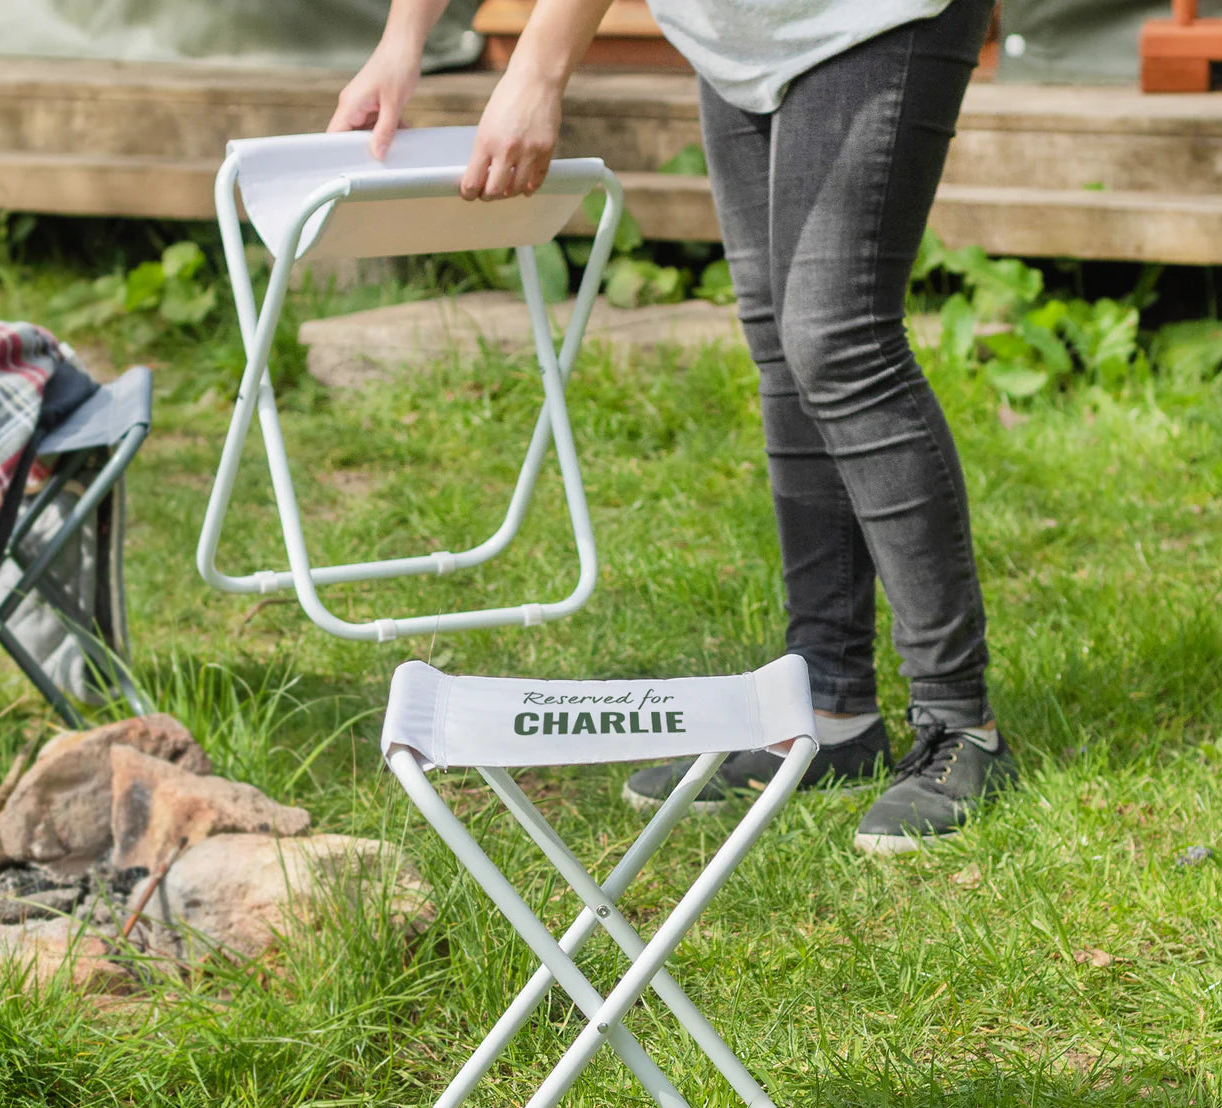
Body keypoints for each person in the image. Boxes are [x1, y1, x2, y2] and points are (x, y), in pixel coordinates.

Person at [330, 0, 1017, 854]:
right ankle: (832, 711)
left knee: (836, 341)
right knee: (783, 347)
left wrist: (539, 70)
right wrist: (403, 43)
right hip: (737, 32)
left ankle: (961, 725)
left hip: (871, 17)